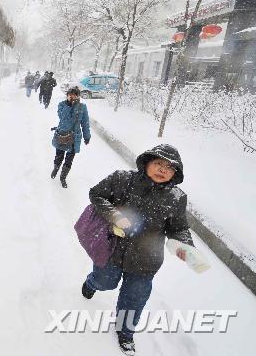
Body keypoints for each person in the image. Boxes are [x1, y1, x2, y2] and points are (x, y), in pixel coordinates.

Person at [82, 144, 193, 355]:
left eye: (170, 167)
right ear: (147, 162)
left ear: (175, 173)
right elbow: (96, 194)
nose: (163, 169)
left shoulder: (177, 197)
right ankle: (92, 283)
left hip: (146, 260)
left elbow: (178, 228)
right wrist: (115, 216)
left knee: (134, 299)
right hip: (113, 250)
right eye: (158, 163)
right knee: (104, 281)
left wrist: (185, 246)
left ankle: (125, 332)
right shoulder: (122, 179)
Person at [51, 86, 90, 187]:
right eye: (70, 95)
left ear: (78, 96)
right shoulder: (62, 105)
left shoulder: (82, 107)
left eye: (75, 95)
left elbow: (85, 123)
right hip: (62, 135)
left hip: (74, 138)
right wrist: (69, 105)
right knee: (59, 156)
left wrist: (87, 136)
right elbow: (62, 118)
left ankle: (63, 177)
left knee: (69, 160)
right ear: (67, 95)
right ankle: (55, 169)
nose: (72, 97)